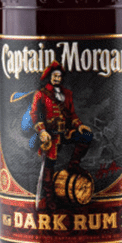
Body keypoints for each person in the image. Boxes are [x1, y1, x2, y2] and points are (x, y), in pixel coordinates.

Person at [30, 60, 93, 210]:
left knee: (86, 136)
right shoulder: (41, 94)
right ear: (50, 77)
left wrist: (79, 125)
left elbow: (72, 114)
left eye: (59, 76)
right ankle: (49, 196)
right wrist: (42, 131)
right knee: (49, 164)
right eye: (54, 76)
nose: (57, 79)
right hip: (50, 135)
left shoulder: (67, 94)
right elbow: (35, 114)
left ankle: (74, 164)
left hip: (65, 132)